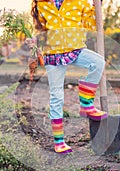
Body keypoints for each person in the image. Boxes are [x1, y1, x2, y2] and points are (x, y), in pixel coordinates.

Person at [26, 0, 107, 154]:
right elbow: (40, 31)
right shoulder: (42, 5)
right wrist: (34, 42)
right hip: (53, 54)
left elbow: (91, 24)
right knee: (56, 96)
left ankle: (86, 104)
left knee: (97, 62)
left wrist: (97, 6)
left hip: (75, 49)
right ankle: (59, 142)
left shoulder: (78, 2)